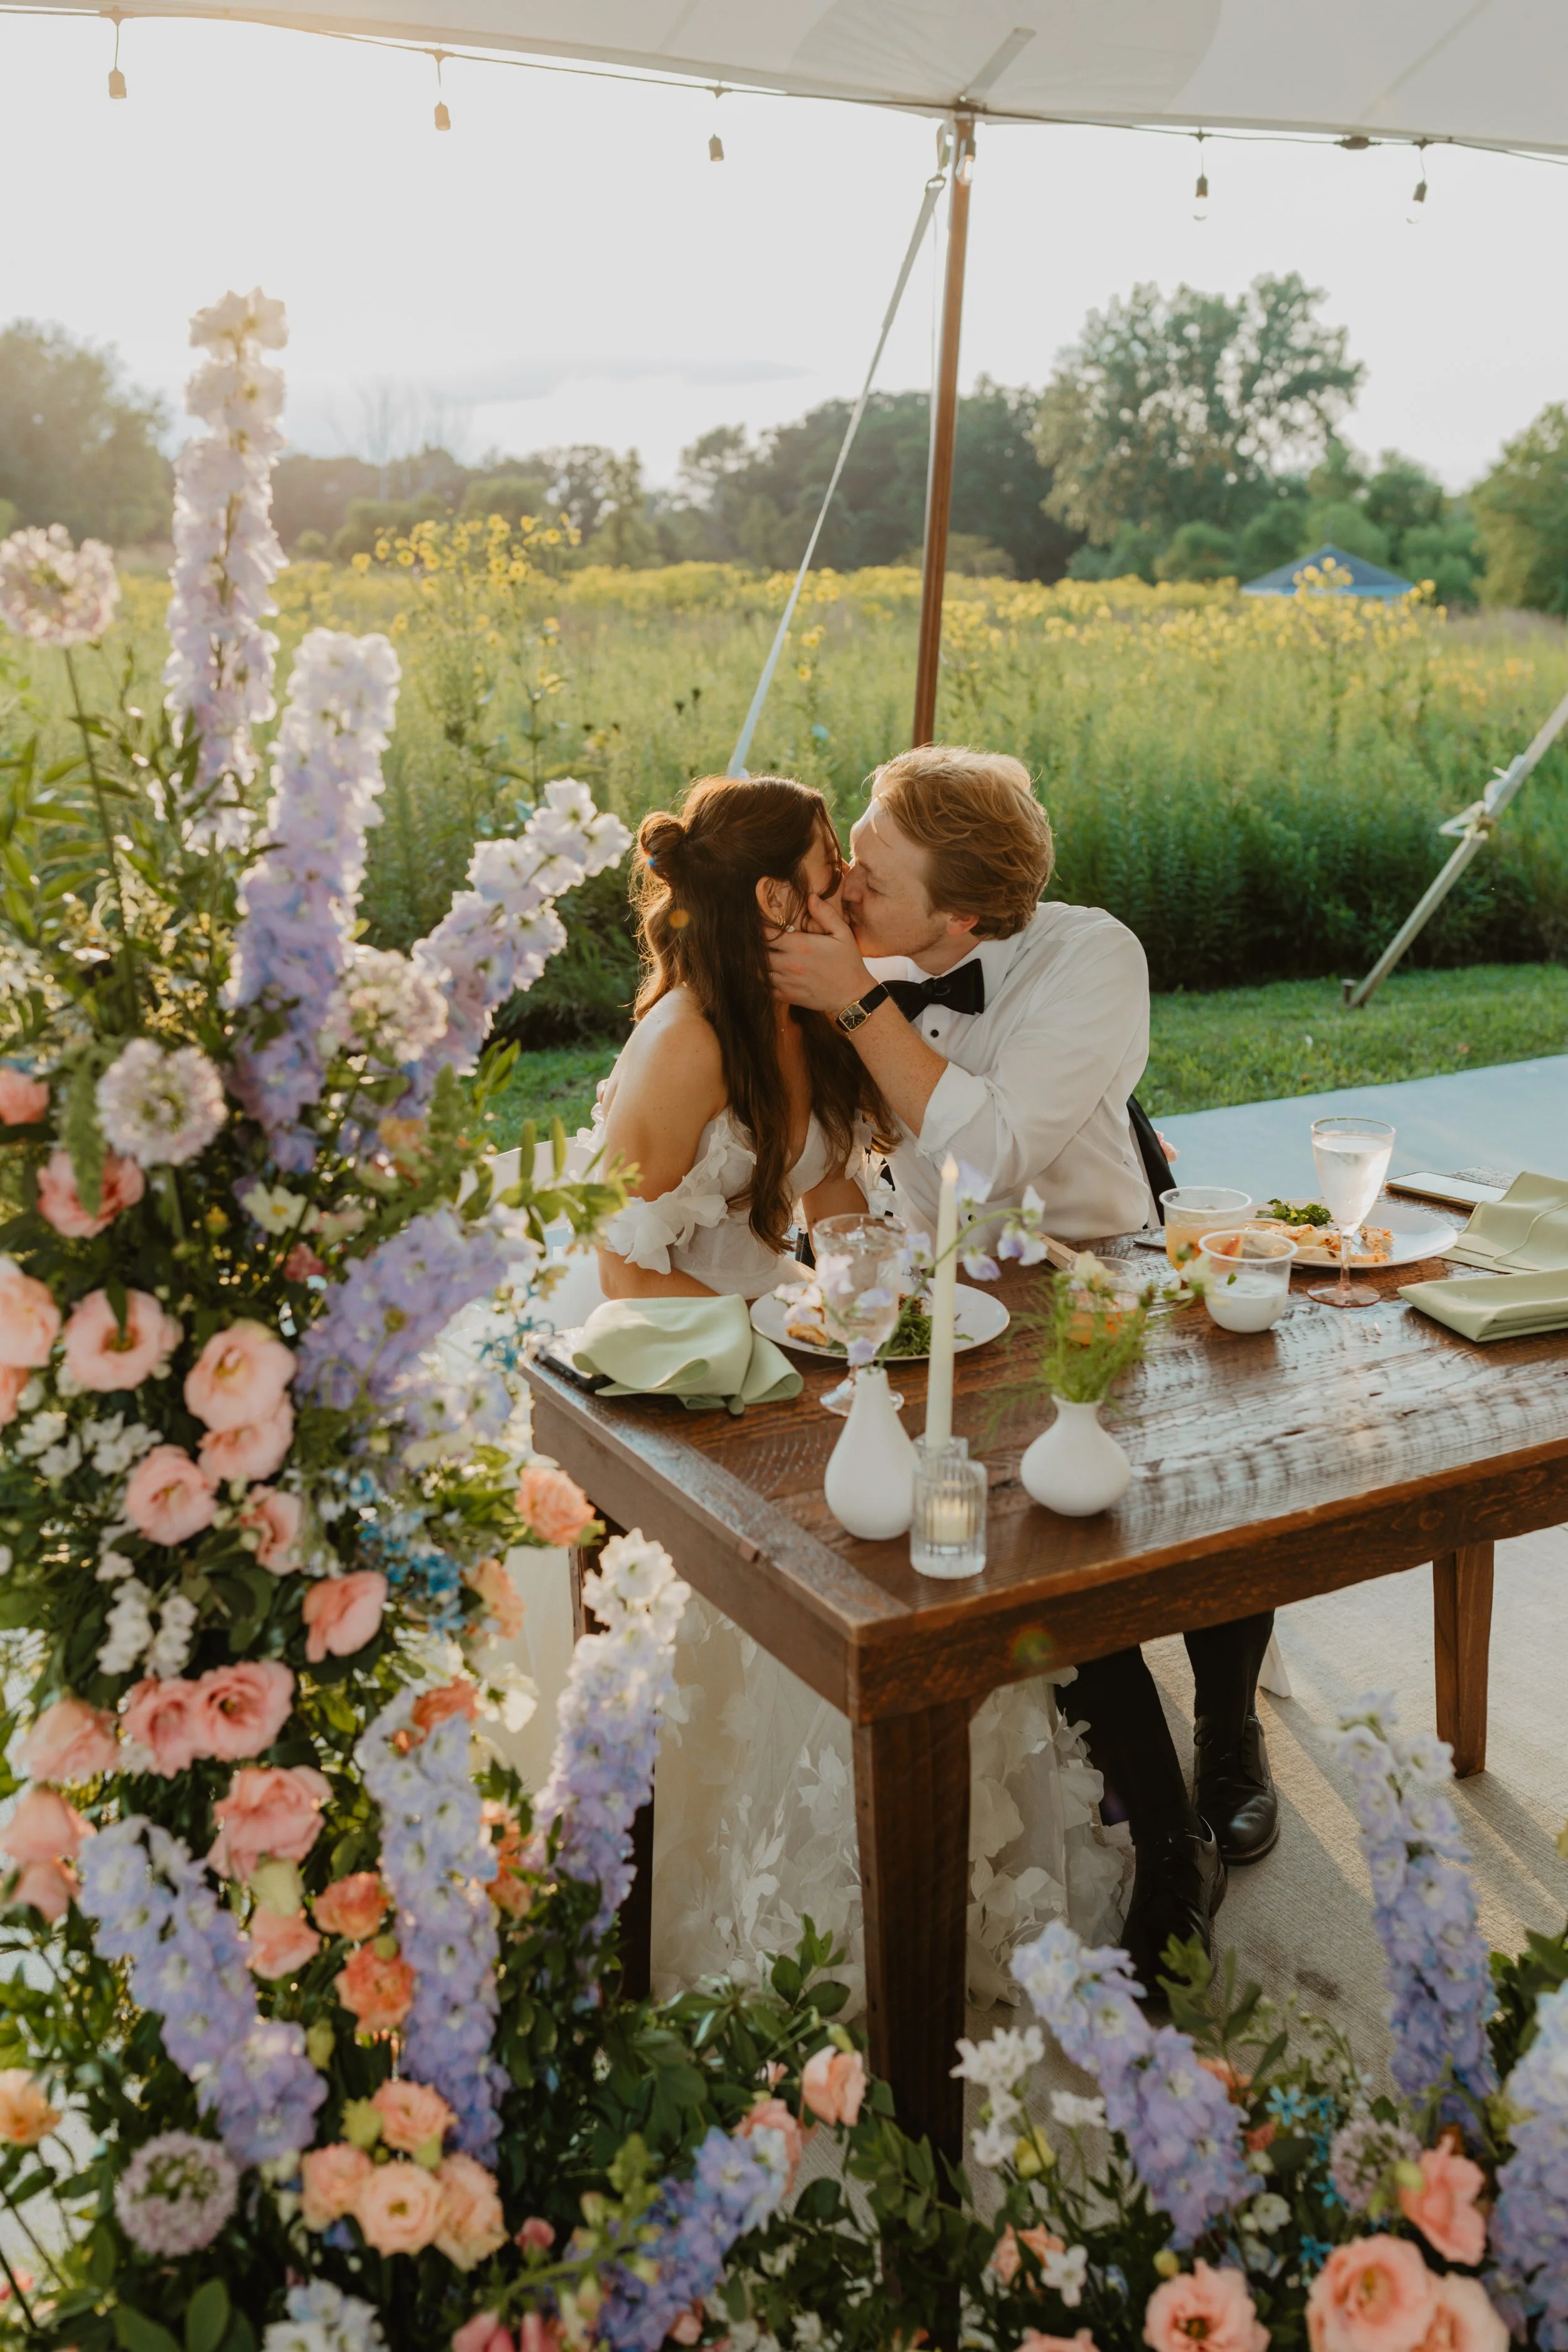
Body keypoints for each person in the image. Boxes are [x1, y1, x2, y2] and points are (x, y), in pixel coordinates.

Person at [586, 771, 1128, 2009]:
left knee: (966, 1537)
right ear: (776, 896)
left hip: (879, 1333)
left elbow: (837, 1202)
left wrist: (857, 1306)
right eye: (835, 868)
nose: (846, 889)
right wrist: (793, 1355)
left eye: (861, 877)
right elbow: (620, 1271)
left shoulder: (828, 1010)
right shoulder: (682, 1044)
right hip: (699, 1369)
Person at [768, 744, 1279, 1994]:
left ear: (960, 917)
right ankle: (1162, 1841)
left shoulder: (1090, 958)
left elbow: (991, 1156)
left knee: (1204, 1489)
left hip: (1106, 1264)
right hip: (944, 1293)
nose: (841, 884)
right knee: (1034, 1543)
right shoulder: (850, 935)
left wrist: (854, 1006)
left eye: (871, 876)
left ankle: (1227, 1736)